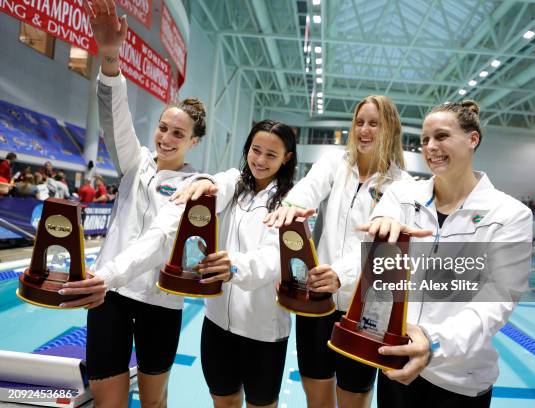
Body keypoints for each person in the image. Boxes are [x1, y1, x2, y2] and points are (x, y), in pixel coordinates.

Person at [59, 2, 228, 406]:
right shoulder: (135, 164)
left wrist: (108, 274)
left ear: (194, 142)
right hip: (109, 298)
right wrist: (110, 57)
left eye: (178, 134)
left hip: (159, 303)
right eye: (163, 128)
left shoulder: (195, 188)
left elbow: (159, 238)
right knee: (107, 400)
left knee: (153, 402)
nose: (166, 138)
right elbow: (114, 119)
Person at [360, 100, 532, 407]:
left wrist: (433, 341)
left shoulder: (509, 214)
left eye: (441, 137)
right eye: (425, 140)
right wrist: (378, 227)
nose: (430, 147)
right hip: (396, 362)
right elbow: (377, 259)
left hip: (459, 378)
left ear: (473, 139)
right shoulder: (402, 196)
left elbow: (498, 297)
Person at [264, 95, 412, 408]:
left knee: (353, 395)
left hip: (364, 308)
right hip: (319, 297)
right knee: (314, 388)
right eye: (359, 122)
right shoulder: (336, 164)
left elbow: (381, 247)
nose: (364, 130)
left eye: (374, 123)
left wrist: (341, 276)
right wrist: (290, 207)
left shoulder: (402, 184)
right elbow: (309, 188)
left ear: (391, 130)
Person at [176, 119, 298, 408]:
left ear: (287, 158)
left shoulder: (291, 202)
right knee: (224, 401)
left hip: (263, 331)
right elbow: (220, 182)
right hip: (217, 323)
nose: (260, 160)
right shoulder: (234, 187)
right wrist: (205, 181)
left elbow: (274, 259)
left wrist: (234, 267)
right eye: (256, 150)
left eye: (271, 155)